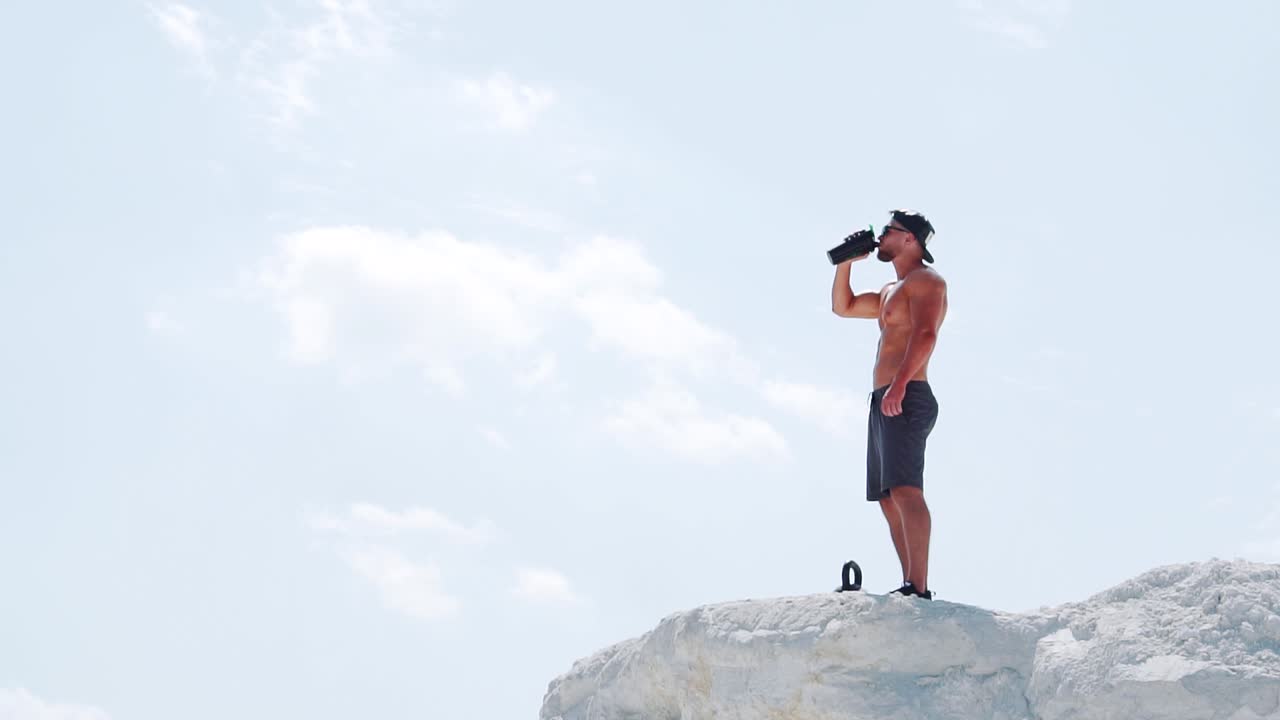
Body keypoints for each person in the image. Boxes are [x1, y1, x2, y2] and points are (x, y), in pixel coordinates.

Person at [830, 209, 947, 600]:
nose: (880, 237)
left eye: (887, 231)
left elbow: (927, 335)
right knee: (886, 496)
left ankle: (919, 586)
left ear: (910, 239)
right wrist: (846, 263)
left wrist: (898, 386)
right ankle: (909, 584)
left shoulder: (926, 281)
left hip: (907, 394)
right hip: (884, 398)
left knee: (905, 490)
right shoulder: (886, 292)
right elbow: (842, 306)